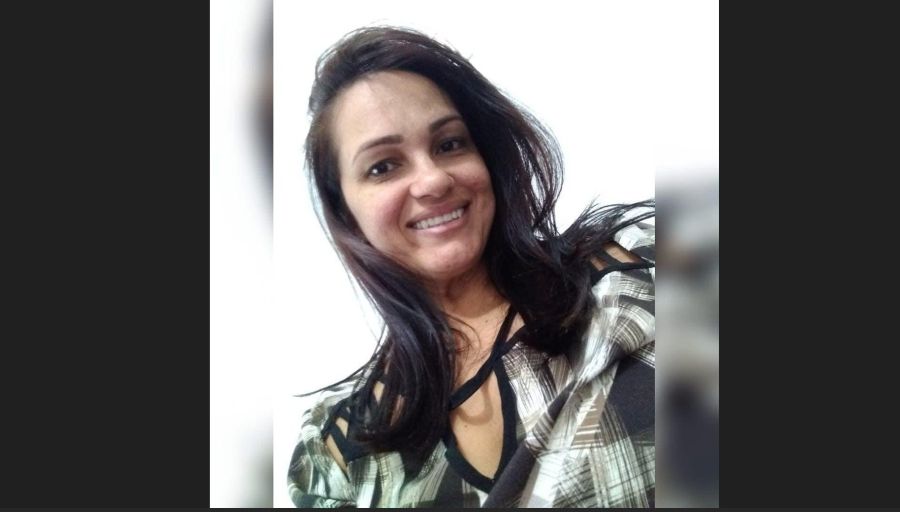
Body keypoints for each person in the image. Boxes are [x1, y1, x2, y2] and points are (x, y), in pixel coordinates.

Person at [288, 26, 656, 508]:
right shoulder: (334, 461)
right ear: (345, 210)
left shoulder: (637, 272)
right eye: (383, 166)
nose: (433, 180)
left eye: (449, 144)